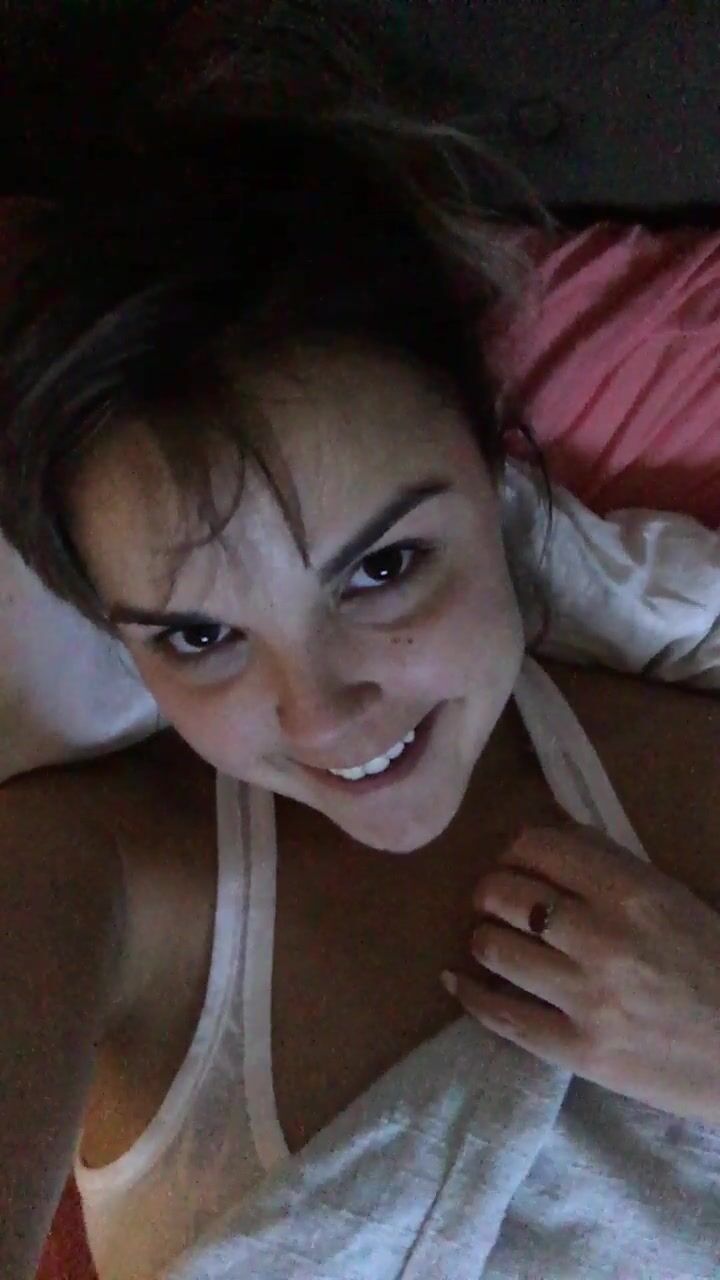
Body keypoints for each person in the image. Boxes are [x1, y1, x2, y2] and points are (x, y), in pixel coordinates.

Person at [1, 108, 719, 1280]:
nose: (323, 715)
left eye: (383, 567)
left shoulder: (696, 755)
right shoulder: (81, 880)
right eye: (199, 635)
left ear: (493, 468)